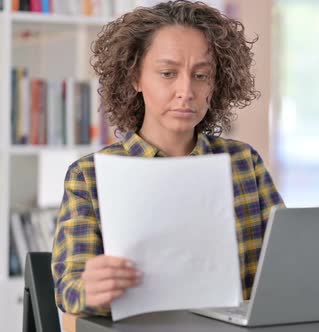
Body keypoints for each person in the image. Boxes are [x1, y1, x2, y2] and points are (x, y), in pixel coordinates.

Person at [51, 0, 284, 316]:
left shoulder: (244, 163)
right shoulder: (90, 175)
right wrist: (92, 290)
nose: (186, 90)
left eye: (201, 75)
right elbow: (70, 291)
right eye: (167, 73)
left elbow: (287, 268)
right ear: (135, 78)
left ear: (215, 84)